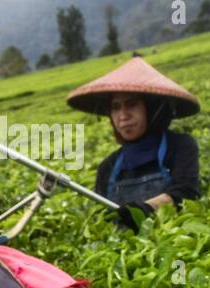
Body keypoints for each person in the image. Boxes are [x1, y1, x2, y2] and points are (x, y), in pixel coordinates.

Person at [66, 56, 201, 228]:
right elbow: (102, 219)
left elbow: (187, 194)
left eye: (132, 104)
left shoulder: (180, 146)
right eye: (116, 107)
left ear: (152, 110)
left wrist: (145, 209)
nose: (123, 116)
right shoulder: (108, 167)